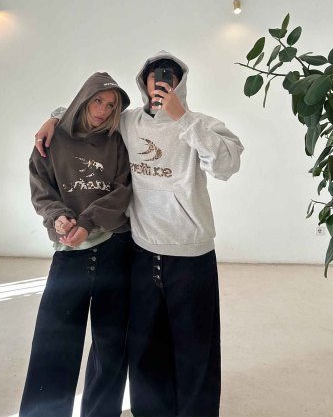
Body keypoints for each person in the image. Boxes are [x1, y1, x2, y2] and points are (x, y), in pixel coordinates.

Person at [35, 52, 244, 417]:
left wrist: (182, 117)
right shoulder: (128, 122)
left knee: (196, 349)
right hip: (142, 251)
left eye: (171, 77)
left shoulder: (201, 123)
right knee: (146, 350)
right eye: (156, 76)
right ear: (144, 82)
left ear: (181, 83)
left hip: (190, 254)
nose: (163, 82)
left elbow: (227, 165)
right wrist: (53, 118)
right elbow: (90, 111)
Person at [20, 72, 132, 417]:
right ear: (84, 99)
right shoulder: (52, 140)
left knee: (112, 345)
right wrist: (58, 217)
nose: (103, 110)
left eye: (110, 105)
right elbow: (41, 187)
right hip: (70, 253)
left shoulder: (117, 141)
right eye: (98, 100)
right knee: (54, 342)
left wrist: (88, 223)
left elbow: (123, 190)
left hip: (115, 248)